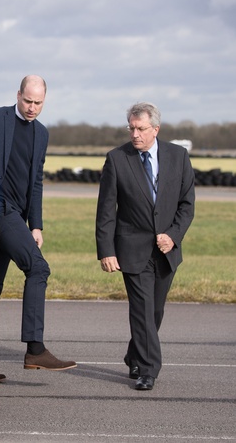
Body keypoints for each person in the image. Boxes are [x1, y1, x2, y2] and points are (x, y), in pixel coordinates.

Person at [0, 75, 76, 372]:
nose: (32, 107)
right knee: (38, 268)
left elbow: (36, 181)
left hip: (16, 214)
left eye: (38, 103)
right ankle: (35, 349)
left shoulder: (42, 133)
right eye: (28, 101)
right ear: (18, 95)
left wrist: (36, 225)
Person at [96, 102, 195, 391]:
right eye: (131, 128)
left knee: (155, 312)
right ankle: (149, 370)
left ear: (156, 129)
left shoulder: (178, 156)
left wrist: (173, 235)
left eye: (140, 129)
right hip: (131, 248)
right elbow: (106, 210)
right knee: (141, 309)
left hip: (166, 251)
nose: (135, 134)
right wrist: (106, 250)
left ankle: (134, 355)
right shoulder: (117, 159)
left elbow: (187, 205)